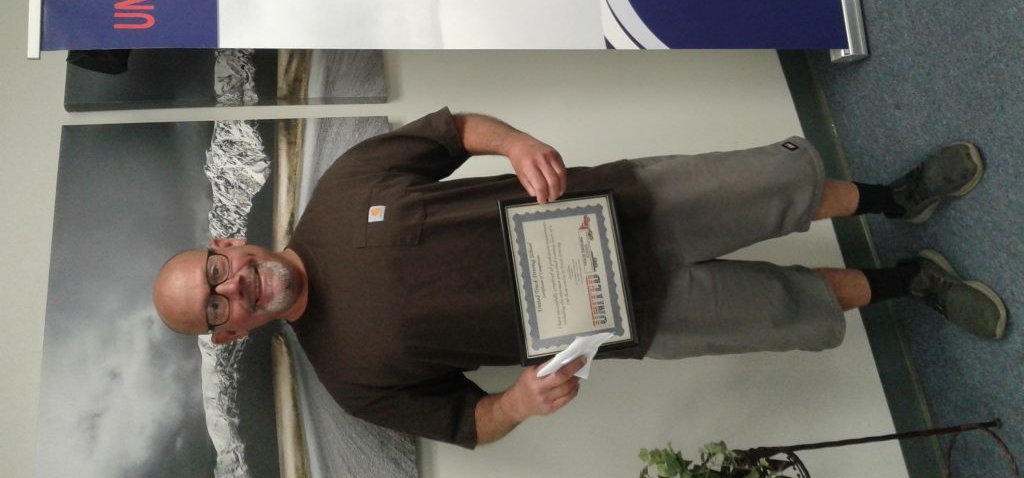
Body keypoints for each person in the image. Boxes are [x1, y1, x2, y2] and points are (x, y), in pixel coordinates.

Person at [153, 108, 1007, 448]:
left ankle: (899, 198)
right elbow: (468, 422)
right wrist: (520, 403)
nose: (234, 287)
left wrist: (518, 144)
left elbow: (454, 130)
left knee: (778, 192)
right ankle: (913, 283)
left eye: (215, 270)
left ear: (227, 242)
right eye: (215, 307)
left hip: (625, 204)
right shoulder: (349, 381)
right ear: (229, 332)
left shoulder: (342, 190)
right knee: (792, 305)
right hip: (633, 321)